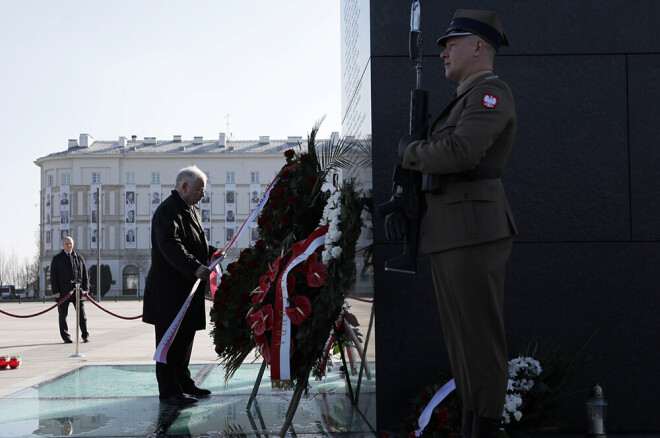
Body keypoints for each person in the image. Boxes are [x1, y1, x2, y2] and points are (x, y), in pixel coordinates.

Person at [391, 9, 517, 437]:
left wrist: (412, 150)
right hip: (452, 232)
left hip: (473, 231)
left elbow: (461, 153)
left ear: (479, 46)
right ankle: (471, 425)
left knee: (479, 343)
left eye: (452, 43)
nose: (443, 51)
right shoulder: (464, 99)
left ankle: (482, 428)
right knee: (462, 345)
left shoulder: (490, 95)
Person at [143, 165, 217, 406]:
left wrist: (214, 252)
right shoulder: (167, 210)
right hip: (169, 291)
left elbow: (195, 243)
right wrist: (195, 266)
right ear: (184, 187)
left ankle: (183, 381)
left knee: (185, 339)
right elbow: (170, 245)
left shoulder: (190, 210)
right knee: (169, 342)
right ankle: (169, 389)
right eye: (199, 190)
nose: (202, 195)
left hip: (187, 288)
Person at [50, 236, 90, 344]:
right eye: (66, 243)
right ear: (62, 245)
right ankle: (65, 337)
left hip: (78, 291)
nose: (69, 245)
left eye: (70, 243)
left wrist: (86, 289)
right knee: (63, 316)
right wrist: (55, 291)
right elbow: (53, 276)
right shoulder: (57, 259)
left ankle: (85, 335)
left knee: (82, 315)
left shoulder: (79, 258)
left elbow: (85, 275)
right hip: (63, 293)